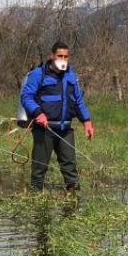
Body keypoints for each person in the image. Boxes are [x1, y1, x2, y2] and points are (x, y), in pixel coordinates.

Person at [20, 41, 93, 192]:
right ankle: (35, 198)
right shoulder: (38, 74)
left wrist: (86, 121)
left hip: (65, 129)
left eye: (66, 56)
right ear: (52, 56)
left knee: (70, 168)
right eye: (60, 56)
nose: (63, 59)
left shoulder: (71, 76)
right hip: (44, 129)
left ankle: (73, 198)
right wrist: (38, 113)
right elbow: (26, 97)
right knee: (39, 168)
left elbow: (78, 100)